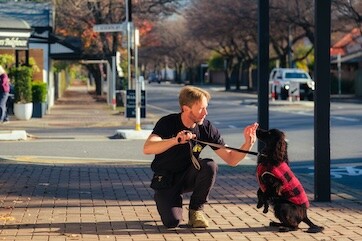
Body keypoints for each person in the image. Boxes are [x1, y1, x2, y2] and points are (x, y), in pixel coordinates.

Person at [143, 86, 258, 228]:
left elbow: (231, 159)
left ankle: (196, 210)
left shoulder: (206, 128)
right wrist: (175, 140)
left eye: (206, 108)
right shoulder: (167, 122)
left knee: (209, 165)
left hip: (189, 175)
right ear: (186, 109)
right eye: (201, 109)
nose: (205, 113)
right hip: (166, 179)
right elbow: (148, 148)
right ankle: (166, 199)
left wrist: (247, 144)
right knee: (172, 222)